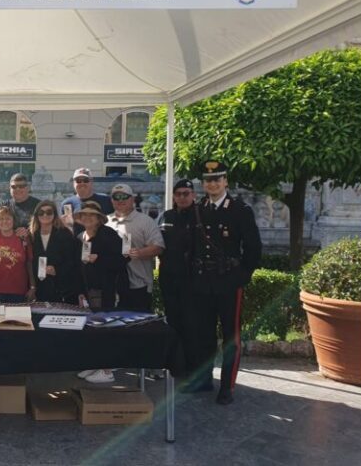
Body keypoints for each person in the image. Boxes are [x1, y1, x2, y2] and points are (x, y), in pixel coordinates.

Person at [191, 160, 262, 405]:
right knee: (204, 334)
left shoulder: (240, 210)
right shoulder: (199, 208)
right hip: (204, 283)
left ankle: (227, 386)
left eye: (217, 179)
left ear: (226, 182)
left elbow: (253, 249)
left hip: (229, 283)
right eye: (208, 180)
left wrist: (241, 277)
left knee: (231, 336)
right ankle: (204, 379)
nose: (212, 184)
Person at [74, 200, 127, 384]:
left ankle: (106, 369)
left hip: (107, 291)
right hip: (89, 292)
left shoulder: (109, 235)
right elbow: (78, 268)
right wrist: (80, 291)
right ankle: (95, 362)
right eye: (84, 214)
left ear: (98, 219)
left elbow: (122, 260)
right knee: (92, 329)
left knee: (106, 329)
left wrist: (100, 259)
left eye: (92, 215)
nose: (88, 217)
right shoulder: (81, 237)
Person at [158, 179, 197, 380]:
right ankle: (173, 365)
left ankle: (189, 368)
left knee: (191, 324)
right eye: (178, 194)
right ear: (173, 196)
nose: (182, 197)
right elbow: (157, 243)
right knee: (172, 322)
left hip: (192, 281)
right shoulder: (166, 216)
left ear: (193, 195)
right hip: (169, 278)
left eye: (186, 193)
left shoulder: (200, 216)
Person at [107, 183, 165, 312]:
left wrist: (139, 252)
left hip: (138, 285)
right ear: (111, 200)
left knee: (137, 328)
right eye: (116, 197)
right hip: (110, 286)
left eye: (124, 196)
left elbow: (158, 247)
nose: (120, 200)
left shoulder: (145, 221)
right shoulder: (106, 221)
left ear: (132, 199)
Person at [0, 206, 35, 304]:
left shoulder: (22, 238)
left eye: (8, 218)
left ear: (14, 220)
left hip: (18, 290)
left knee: (16, 320)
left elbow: (29, 263)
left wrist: (32, 286)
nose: (5, 221)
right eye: (1, 218)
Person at [29, 200, 80, 304]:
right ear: (36, 215)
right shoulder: (32, 235)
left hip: (61, 289)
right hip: (40, 289)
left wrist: (57, 270)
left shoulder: (65, 234)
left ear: (55, 214)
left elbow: (72, 260)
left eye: (49, 212)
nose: (45, 215)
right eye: (41, 212)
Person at [2, 173, 40, 239]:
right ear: (10, 189)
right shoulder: (5, 205)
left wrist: (28, 232)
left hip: (32, 245)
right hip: (10, 245)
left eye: (21, 186)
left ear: (28, 188)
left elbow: (45, 227)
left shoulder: (38, 205)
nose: (17, 189)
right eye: (14, 187)